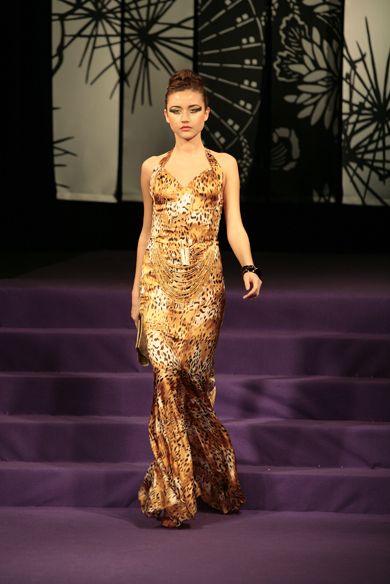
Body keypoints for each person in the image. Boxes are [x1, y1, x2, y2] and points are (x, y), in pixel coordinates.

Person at [131, 69, 262, 528]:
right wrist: (136, 293)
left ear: (206, 113)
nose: (184, 117)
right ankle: (174, 495)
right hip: (158, 286)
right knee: (166, 376)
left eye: (193, 109)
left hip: (206, 285)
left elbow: (234, 226)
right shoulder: (151, 167)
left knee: (196, 380)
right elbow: (146, 233)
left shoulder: (223, 164)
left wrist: (248, 266)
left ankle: (213, 478)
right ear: (165, 116)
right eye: (176, 110)